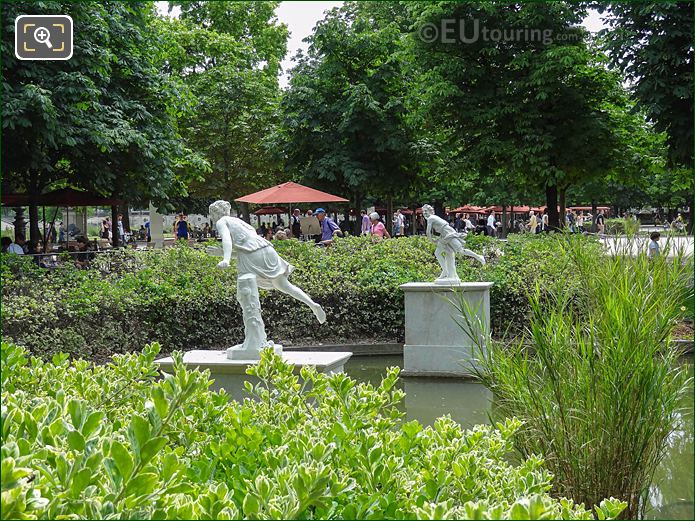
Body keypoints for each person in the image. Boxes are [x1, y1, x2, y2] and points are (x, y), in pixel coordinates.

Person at [209, 199, 326, 323]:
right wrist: (222, 253)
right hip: (267, 249)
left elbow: (227, 240)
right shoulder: (239, 222)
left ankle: (254, 325)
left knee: (243, 289)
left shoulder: (222, 221)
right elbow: (246, 249)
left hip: (253, 254)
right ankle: (312, 305)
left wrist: (225, 259)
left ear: (216, 213)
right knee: (284, 285)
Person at [422, 204, 485, 281]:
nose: (424, 213)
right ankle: (446, 271)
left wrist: (432, 240)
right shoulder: (432, 218)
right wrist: (434, 239)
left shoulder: (431, 218)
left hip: (448, 233)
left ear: (430, 211)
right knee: (438, 253)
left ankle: (478, 257)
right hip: (443, 235)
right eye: (423, 211)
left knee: (461, 251)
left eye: (426, 211)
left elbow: (428, 232)